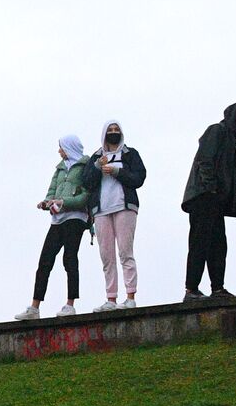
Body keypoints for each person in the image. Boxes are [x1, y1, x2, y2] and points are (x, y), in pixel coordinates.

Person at [181, 103, 236, 300]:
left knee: (218, 245)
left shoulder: (230, 141)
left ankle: (217, 289)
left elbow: (232, 179)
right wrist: (211, 187)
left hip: (214, 201)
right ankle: (191, 289)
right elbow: (204, 160)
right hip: (204, 198)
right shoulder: (217, 130)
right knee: (200, 243)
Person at [16, 135, 89, 320]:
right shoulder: (60, 168)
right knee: (45, 261)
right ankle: (34, 307)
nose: (59, 151)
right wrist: (47, 202)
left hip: (76, 217)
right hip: (57, 220)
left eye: (61, 147)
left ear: (69, 147)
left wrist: (64, 202)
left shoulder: (85, 167)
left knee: (69, 258)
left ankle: (70, 303)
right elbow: (52, 189)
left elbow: (86, 196)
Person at [86, 120, 145, 310]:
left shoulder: (129, 154)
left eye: (116, 130)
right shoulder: (97, 156)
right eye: (110, 130)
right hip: (102, 210)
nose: (113, 132)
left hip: (124, 207)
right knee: (106, 255)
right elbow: (86, 182)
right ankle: (111, 298)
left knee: (125, 252)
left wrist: (118, 172)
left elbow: (139, 177)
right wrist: (97, 167)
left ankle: (130, 296)